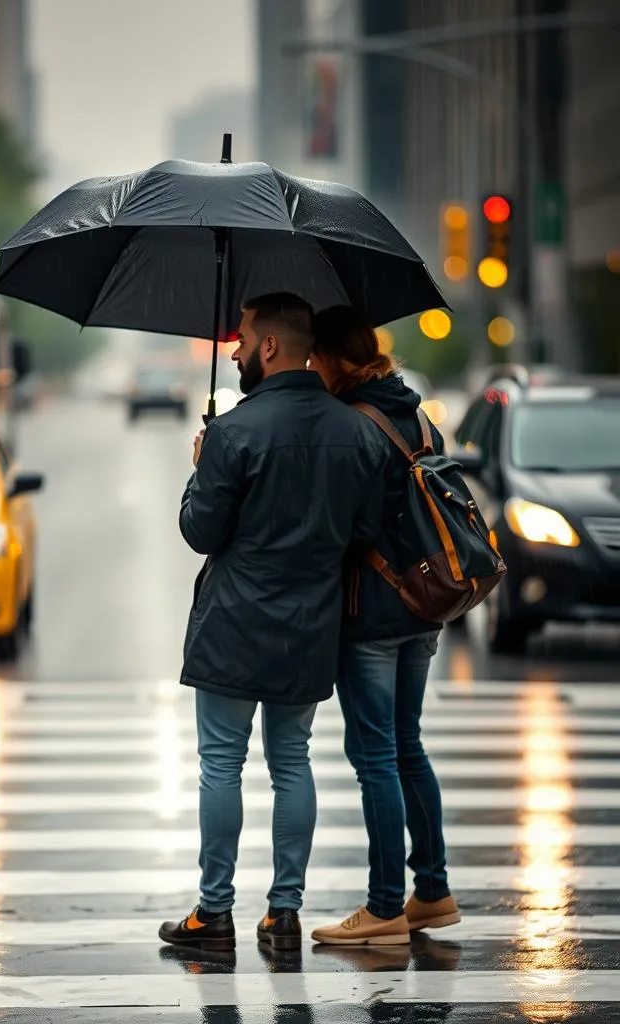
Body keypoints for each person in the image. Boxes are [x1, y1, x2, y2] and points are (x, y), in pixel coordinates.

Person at [158, 293, 389, 953]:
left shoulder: (234, 432)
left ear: (268, 347)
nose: (231, 351)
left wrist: (201, 470)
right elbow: (365, 532)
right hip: (309, 626)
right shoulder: (356, 432)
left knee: (221, 764)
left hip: (234, 625)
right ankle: (284, 914)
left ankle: (215, 912)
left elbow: (199, 531)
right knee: (292, 762)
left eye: (241, 339)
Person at [307, 305, 460, 947]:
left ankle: (383, 906)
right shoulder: (417, 414)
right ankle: (433, 890)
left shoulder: (353, 424)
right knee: (406, 746)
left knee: (375, 757)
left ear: (338, 359)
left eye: (316, 356)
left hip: (371, 610)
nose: (311, 366)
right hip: (424, 603)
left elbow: (357, 527)